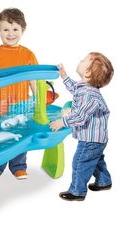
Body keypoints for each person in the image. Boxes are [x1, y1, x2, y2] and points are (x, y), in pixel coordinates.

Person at [0, 8, 38, 181]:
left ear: (23, 30)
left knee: (21, 134)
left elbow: (34, 79)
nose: (10, 34)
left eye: (15, 29)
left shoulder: (28, 54)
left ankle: (18, 166)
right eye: (6, 29)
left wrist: (37, 99)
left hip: (22, 104)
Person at [50, 52, 114, 201]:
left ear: (87, 72)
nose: (81, 60)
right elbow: (74, 89)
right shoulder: (85, 88)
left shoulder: (89, 96)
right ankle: (104, 181)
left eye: (84, 60)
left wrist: (62, 122)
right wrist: (64, 76)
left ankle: (77, 191)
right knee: (96, 161)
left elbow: (80, 117)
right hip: (97, 139)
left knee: (80, 162)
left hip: (91, 139)